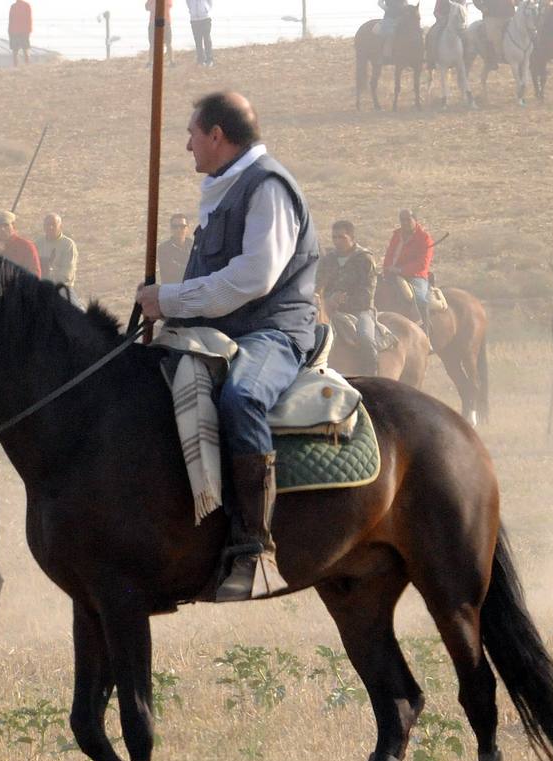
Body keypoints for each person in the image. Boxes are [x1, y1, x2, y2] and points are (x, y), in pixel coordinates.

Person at [134, 91, 320, 602]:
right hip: (220, 334)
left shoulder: (268, 187)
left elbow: (253, 278)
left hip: (273, 331)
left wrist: (169, 298)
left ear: (217, 135)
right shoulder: (222, 190)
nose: (185, 145)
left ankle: (254, 548)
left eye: (191, 133)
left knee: (241, 399)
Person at [316, 220, 381, 373]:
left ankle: (372, 376)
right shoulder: (328, 260)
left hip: (360, 311)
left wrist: (342, 302)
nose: (337, 241)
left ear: (352, 238)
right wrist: (325, 300)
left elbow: (367, 294)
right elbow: (318, 285)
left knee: (366, 339)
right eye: (334, 238)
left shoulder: (364, 259)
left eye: (341, 237)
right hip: (328, 309)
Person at [382, 208, 434, 331]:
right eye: (402, 220)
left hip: (416, 276)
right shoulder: (396, 235)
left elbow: (423, 264)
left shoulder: (424, 238)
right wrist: (387, 269)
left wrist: (400, 270)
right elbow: (390, 254)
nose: (405, 222)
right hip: (393, 274)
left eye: (408, 219)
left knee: (420, 298)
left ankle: (425, 332)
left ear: (415, 220)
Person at [0, 211, 42, 278]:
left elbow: (35, 274)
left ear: (14, 226)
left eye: (6, 225)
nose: (2, 229)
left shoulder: (26, 246)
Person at [35, 212, 78, 290]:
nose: (50, 227)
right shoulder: (38, 242)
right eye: (47, 225)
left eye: (53, 224)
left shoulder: (68, 245)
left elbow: (67, 273)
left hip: (61, 288)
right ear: (44, 227)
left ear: (60, 226)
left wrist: (50, 281)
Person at [157, 212, 194, 284]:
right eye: (175, 226)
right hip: (172, 290)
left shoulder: (194, 246)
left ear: (187, 228)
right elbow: (172, 269)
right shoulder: (164, 248)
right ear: (171, 229)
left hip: (191, 289)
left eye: (182, 226)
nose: (178, 229)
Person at [145, 0, 175, 67]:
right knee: (152, 43)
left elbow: (169, 5)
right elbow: (147, 7)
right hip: (154, 21)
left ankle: (171, 61)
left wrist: (154, 6)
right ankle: (150, 62)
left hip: (165, 21)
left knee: (168, 42)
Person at [186, 0, 214, 67]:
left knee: (207, 39)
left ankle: (209, 60)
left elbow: (210, 2)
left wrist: (207, 9)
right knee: (198, 41)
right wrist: (192, 11)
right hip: (194, 20)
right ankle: (200, 60)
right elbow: (188, 2)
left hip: (205, 18)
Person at [9, 0, 34, 67]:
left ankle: (16, 66)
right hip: (24, 31)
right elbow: (29, 19)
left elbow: (10, 20)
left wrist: (9, 31)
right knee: (25, 50)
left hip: (15, 31)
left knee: (15, 51)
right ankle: (27, 65)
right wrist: (29, 30)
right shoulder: (26, 5)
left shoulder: (13, 6)